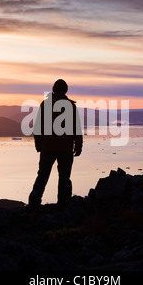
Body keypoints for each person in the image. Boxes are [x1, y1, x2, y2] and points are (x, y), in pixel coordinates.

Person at [28, 79, 83, 210]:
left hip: (48, 147)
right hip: (65, 148)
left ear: (53, 88)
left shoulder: (46, 104)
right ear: (65, 90)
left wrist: (38, 145)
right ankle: (63, 205)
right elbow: (76, 127)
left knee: (42, 176)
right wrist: (78, 145)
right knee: (64, 177)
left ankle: (34, 204)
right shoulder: (69, 106)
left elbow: (38, 127)